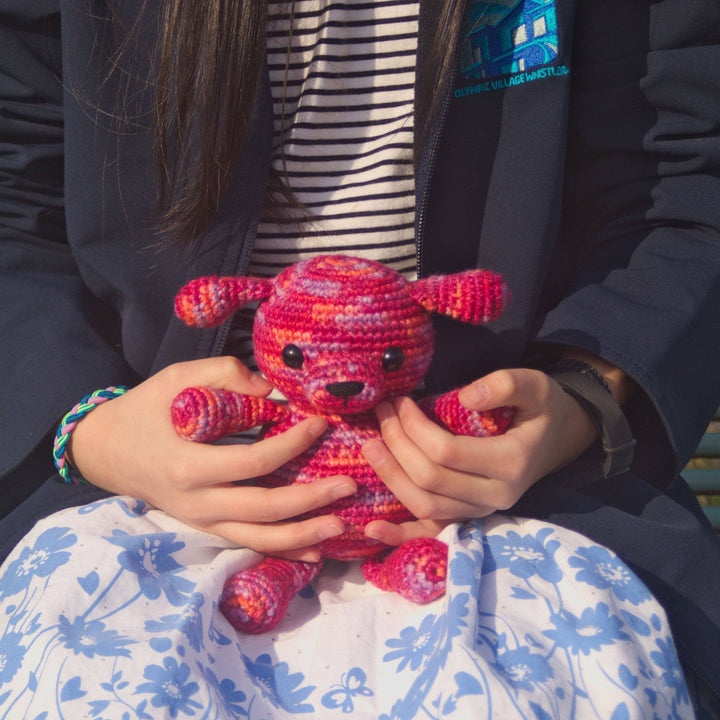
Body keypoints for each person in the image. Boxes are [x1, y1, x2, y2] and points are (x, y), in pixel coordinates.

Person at [0, 0, 719, 717]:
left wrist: (587, 396)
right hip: (132, 485)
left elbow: (685, 184)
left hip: (535, 491)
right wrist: (90, 430)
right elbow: (13, 200)